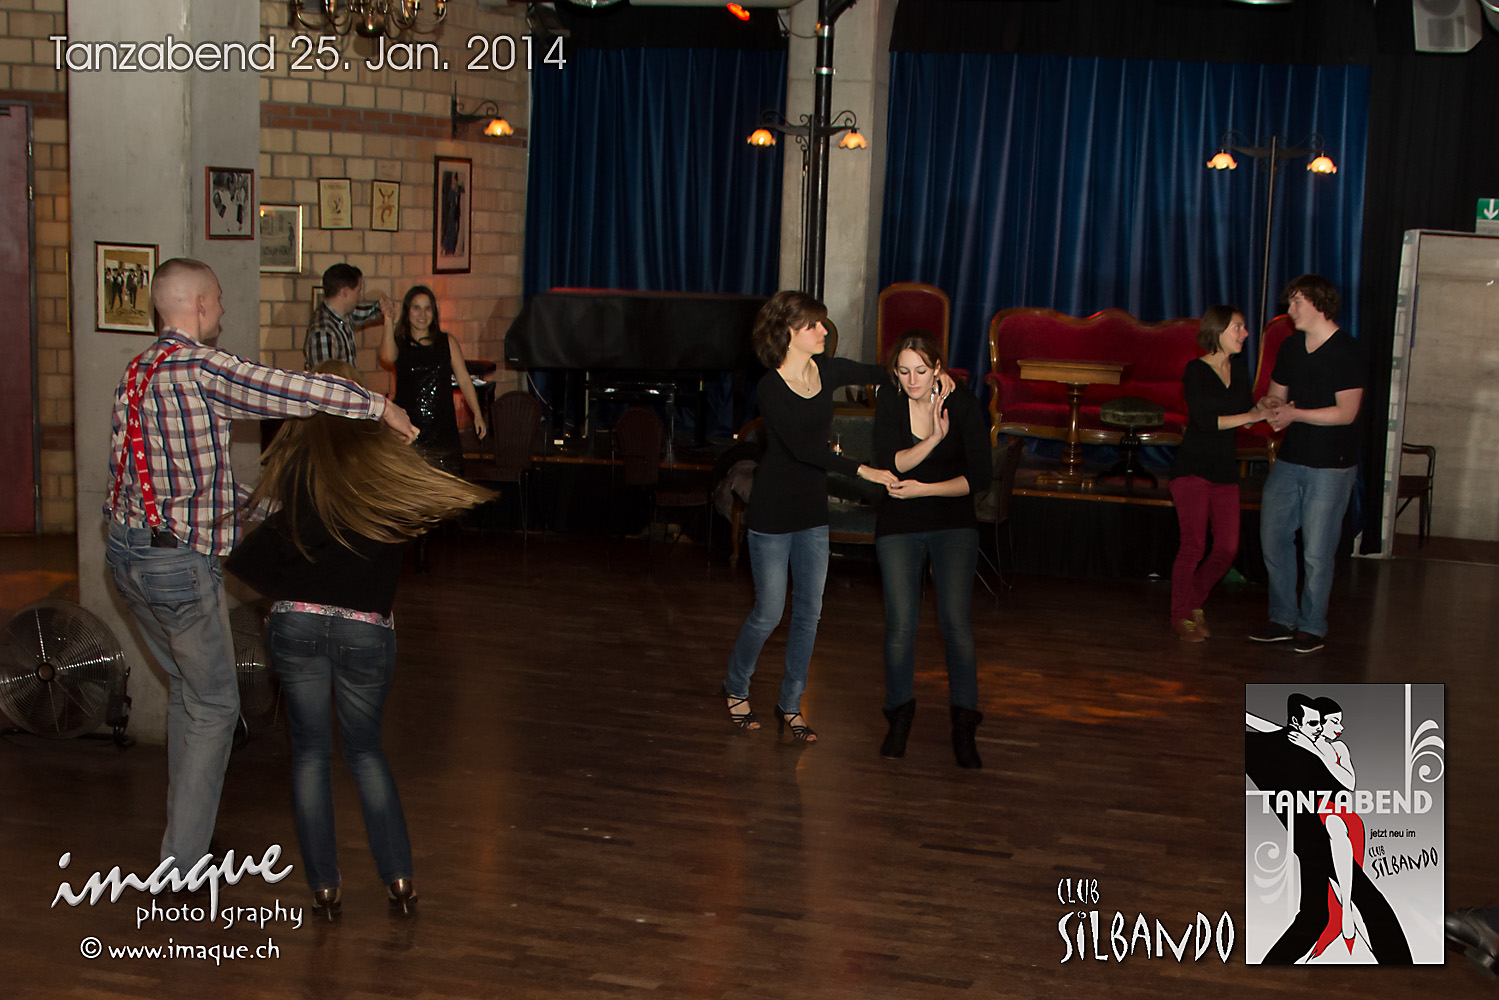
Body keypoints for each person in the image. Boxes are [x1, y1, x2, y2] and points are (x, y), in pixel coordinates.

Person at [104, 258, 418, 878]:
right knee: (217, 706)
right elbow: (291, 388)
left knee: (191, 693)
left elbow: (175, 485)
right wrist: (377, 405)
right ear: (198, 305)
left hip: (126, 556)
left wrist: (272, 510)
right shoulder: (201, 368)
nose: (222, 310)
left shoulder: (137, 371)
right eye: (218, 299)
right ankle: (181, 866)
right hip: (176, 568)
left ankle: (184, 841)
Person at [226, 361, 492, 919]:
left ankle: (325, 888)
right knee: (366, 753)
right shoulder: (388, 474)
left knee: (310, 755)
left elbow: (258, 554)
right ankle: (399, 879)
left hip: (297, 624)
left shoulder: (296, 471)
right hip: (365, 630)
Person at [721, 290, 934, 743]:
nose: (824, 330)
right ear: (787, 332)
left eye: (822, 322)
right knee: (768, 612)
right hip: (773, 512)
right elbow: (804, 450)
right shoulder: (770, 387)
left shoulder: (828, 369)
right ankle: (736, 686)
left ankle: (790, 705)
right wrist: (865, 471)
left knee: (809, 614)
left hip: (812, 512)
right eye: (814, 325)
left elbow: (882, 372)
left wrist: (928, 375)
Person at [873, 331, 992, 768]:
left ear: (938, 368)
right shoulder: (890, 401)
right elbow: (890, 462)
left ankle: (964, 726)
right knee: (900, 625)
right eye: (903, 371)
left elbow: (979, 477)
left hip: (952, 522)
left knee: (956, 624)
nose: (912, 380)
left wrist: (923, 489)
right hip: (899, 523)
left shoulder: (963, 404)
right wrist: (933, 440)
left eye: (921, 371)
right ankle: (898, 717)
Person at [1244, 693, 1412, 964]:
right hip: (1320, 836)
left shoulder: (1318, 747)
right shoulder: (1289, 743)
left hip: (1328, 832)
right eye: (1315, 723)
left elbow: (1347, 783)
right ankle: (1400, 963)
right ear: (1296, 723)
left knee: (1319, 914)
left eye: (1322, 722)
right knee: (1364, 904)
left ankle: (1273, 964)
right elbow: (1273, 732)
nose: (1320, 728)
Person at [1250, 275, 1365, 654]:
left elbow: (1346, 413)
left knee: (1316, 550)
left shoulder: (1346, 350)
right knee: (1273, 538)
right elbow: (1275, 394)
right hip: (1291, 456)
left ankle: (1312, 625)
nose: (1290, 310)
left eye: (1297, 301)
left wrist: (1294, 415)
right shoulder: (1291, 346)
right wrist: (1271, 408)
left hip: (1331, 464)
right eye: (1290, 302)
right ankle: (1283, 617)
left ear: (1319, 303)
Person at [1167, 306, 1267, 641]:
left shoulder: (1238, 370)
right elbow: (1205, 422)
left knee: (1227, 548)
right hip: (1192, 468)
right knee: (1193, 547)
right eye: (1238, 327)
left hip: (1224, 470)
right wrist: (1249, 415)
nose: (1245, 334)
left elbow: (1245, 417)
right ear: (1218, 331)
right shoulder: (1195, 370)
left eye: (1244, 327)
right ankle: (1180, 615)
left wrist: (1264, 409)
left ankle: (1194, 601)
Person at [378, 284, 488, 479]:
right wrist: (388, 319)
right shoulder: (399, 342)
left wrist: (477, 413)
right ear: (408, 312)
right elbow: (386, 357)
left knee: (447, 482)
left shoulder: (447, 342)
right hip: (410, 428)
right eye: (416, 308)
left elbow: (464, 379)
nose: (422, 314)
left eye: (427, 308)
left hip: (442, 428)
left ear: (434, 312)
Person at [304, 263, 387, 369]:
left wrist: (383, 307)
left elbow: (366, 313)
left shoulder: (343, 315)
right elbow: (325, 377)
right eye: (358, 291)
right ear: (345, 292)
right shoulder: (323, 332)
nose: (360, 297)